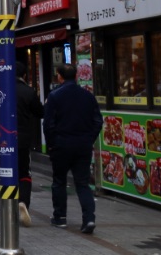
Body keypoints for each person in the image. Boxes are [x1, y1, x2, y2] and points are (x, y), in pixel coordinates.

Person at [43, 64, 103, 234]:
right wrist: (89, 138)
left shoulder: (54, 96)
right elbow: (98, 121)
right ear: (76, 76)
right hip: (83, 145)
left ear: (59, 76)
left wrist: (51, 143)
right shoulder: (88, 96)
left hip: (61, 144)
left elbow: (48, 124)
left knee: (59, 181)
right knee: (83, 183)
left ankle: (60, 217)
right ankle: (89, 219)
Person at [0, 61, 44, 227]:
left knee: (6, 171)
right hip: (23, 139)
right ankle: (23, 202)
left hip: (2, 138)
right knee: (24, 172)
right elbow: (40, 112)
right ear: (24, 75)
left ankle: (9, 208)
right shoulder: (28, 91)